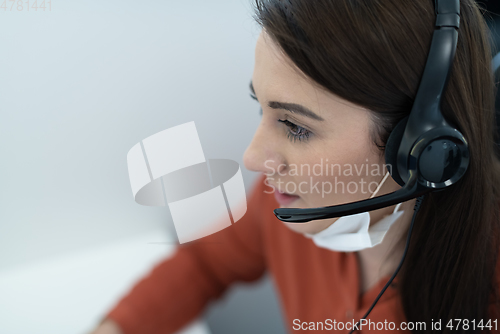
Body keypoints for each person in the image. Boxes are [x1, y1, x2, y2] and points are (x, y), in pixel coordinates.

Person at [91, 0, 500, 333]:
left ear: (418, 150)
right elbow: (207, 263)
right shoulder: (296, 201)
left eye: (295, 127)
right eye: (262, 108)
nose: (252, 158)